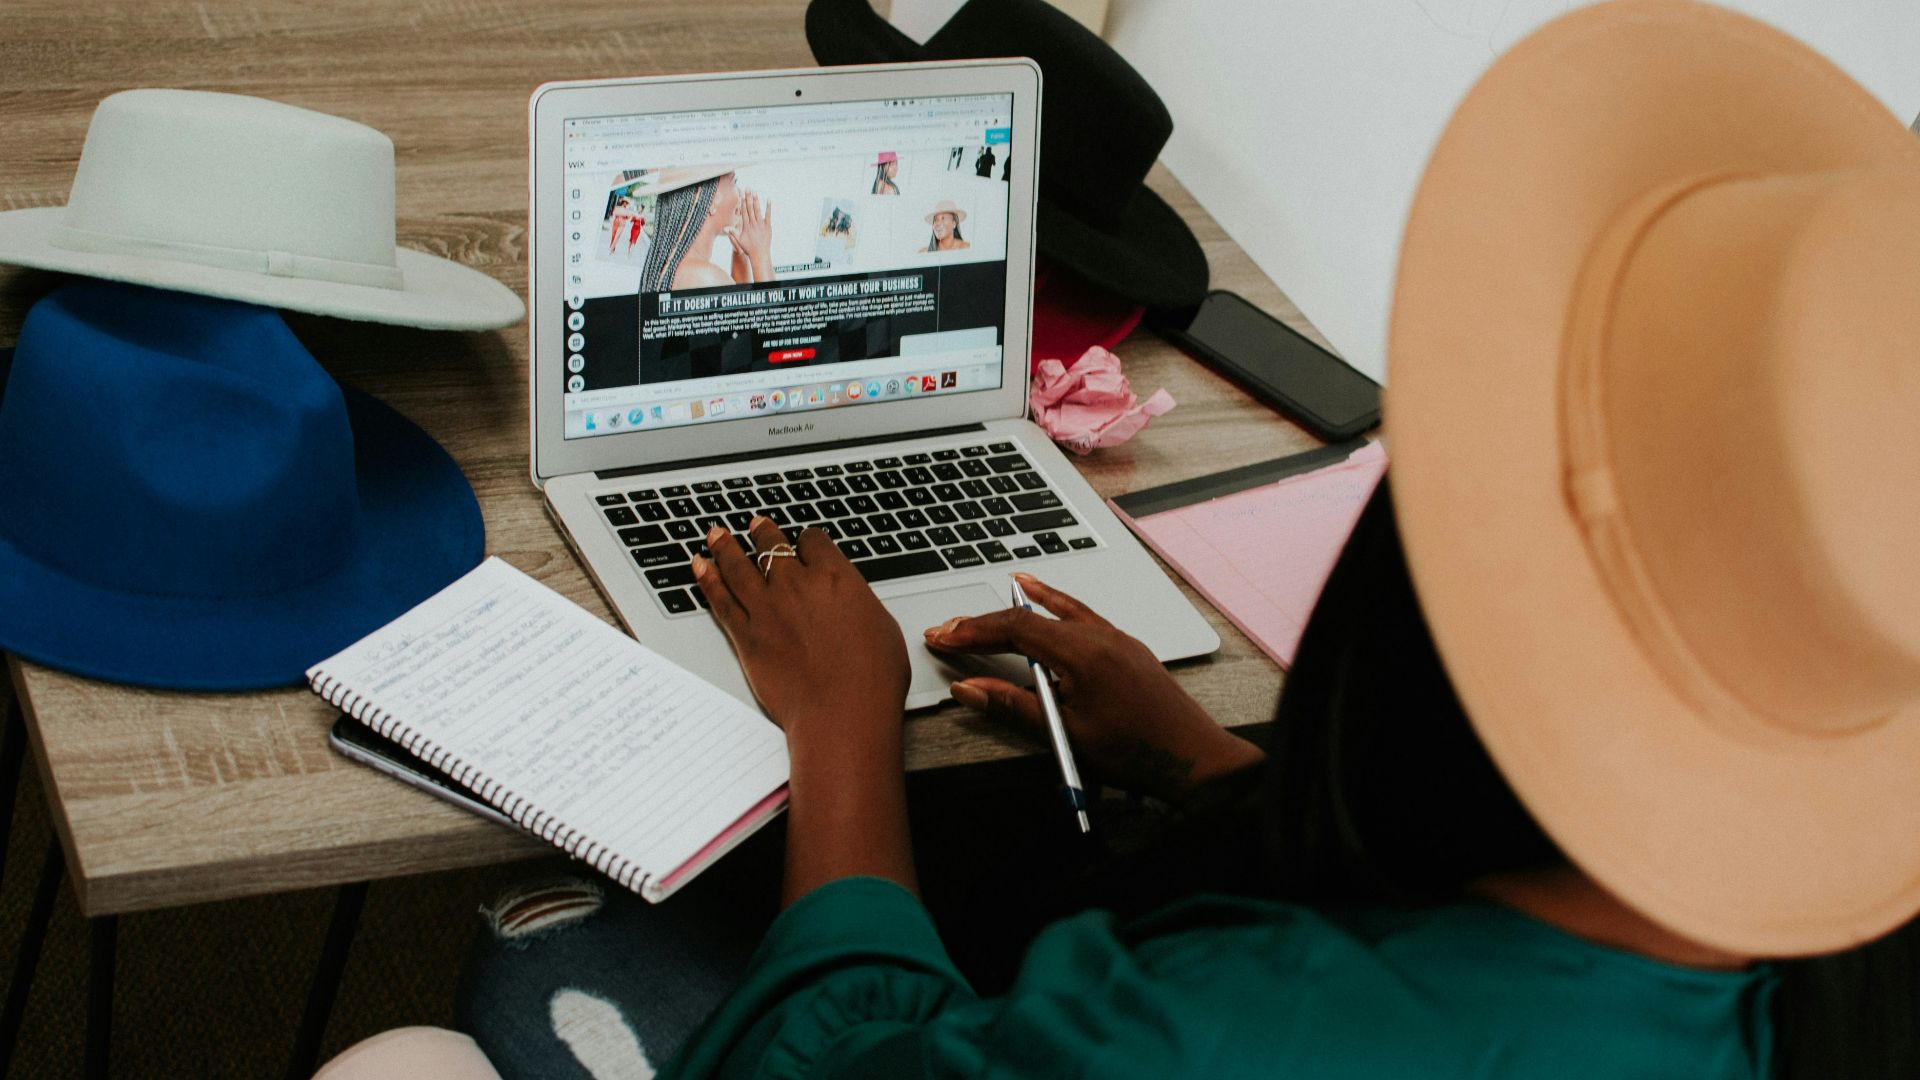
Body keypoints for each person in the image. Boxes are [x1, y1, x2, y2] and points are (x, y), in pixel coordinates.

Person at [456, 4, 1920, 1077]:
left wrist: (842, 728)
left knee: (523, 967)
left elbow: (830, 1066)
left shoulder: (1227, 1036)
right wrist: (1209, 762)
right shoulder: (1814, 981)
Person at [636, 166, 772, 291]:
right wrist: (761, 255)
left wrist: (740, 255)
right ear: (712, 200)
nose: (741, 193)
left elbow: (739, 312)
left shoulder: (674, 270)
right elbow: (775, 316)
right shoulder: (708, 279)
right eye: (733, 181)